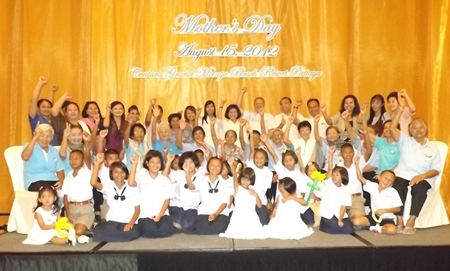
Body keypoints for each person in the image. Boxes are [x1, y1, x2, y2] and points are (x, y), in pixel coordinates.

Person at [389, 106, 441, 234]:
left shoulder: (433, 148)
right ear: (410, 131)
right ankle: (399, 219)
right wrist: (400, 109)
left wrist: (422, 176)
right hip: (403, 174)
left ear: (426, 129)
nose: (418, 130)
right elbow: (392, 128)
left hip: (423, 177)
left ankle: (411, 221)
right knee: (397, 185)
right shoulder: (405, 141)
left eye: (421, 127)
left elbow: (436, 170)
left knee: (419, 188)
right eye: (414, 128)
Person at [263, 134, 313, 225]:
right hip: (282, 201)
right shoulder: (282, 171)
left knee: (309, 219)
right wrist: (266, 142)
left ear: (295, 161)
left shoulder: (299, 173)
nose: (288, 162)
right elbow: (274, 155)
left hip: (295, 202)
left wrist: (295, 201)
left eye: (290, 160)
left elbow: (302, 193)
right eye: (285, 161)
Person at [91, 154, 141, 242]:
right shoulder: (108, 186)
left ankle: (111, 235)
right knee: (102, 233)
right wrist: (97, 163)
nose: (119, 175)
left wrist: (131, 223)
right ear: (111, 174)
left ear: (126, 174)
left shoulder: (132, 187)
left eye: (122, 172)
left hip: (128, 221)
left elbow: (137, 209)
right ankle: (116, 235)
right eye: (116, 172)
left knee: (134, 232)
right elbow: (93, 183)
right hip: (112, 221)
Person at [128, 151, 175, 238]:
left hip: (162, 214)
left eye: (158, 162)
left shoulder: (165, 180)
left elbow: (167, 200)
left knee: (166, 229)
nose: (155, 165)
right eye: (152, 162)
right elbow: (131, 182)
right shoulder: (142, 178)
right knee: (150, 230)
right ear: (147, 163)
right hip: (145, 215)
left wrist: (160, 215)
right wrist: (134, 164)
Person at [353, 157, 402, 235]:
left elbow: (398, 209)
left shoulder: (393, 191)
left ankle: (376, 228)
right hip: (374, 216)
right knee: (356, 221)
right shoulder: (373, 186)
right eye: (385, 178)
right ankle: (374, 226)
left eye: (390, 181)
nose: (387, 181)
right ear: (379, 177)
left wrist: (384, 210)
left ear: (392, 184)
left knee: (392, 230)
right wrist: (356, 164)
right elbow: (360, 178)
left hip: (387, 218)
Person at [220, 165, 264, 239]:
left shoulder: (253, 191)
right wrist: (231, 165)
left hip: (251, 215)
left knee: (253, 234)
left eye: (248, 180)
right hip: (239, 215)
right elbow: (234, 176)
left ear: (251, 181)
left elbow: (260, 206)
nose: (245, 182)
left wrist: (256, 195)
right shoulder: (238, 188)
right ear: (240, 178)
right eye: (243, 179)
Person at [189, 157, 230, 234]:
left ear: (221, 168)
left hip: (220, 213)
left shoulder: (224, 183)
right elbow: (191, 187)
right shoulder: (201, 180)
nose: (215, 168)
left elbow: (225, 202)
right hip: (204, 211)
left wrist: (215, 214)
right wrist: (187, 173)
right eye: (212, 165)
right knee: (201, 228)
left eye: (218, 166)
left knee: (219, 227)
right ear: (208, 166)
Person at [61, 150, 93, 243]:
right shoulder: (68, 177)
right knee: (67, 229)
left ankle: (80, 232)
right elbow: (65, 197)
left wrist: (87, 143)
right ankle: (78, 236)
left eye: (76, 158)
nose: (73, 161)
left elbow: (88, 158)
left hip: (84, 208)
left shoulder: (87, 172)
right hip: (71, 208)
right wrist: (68, 212)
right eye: (71, 159)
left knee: (77, 230)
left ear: (83, 160)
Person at [318, 149, 353, 234]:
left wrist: (340, 220)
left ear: (343, 177)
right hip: (328, 214)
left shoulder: (346, 191)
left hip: (338, 215)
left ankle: (332, 225)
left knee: (349, 229)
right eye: (333, 175)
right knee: (334, 227)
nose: (334, 177)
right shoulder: (329, 184)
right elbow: (330, 168)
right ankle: (324, 226)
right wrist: (330, 154)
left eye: (337, 175)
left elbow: (343, 207)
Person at [22, 124, 64, 191]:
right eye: (42, 135)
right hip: (34, 181)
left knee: (68, 188)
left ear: (52, 138)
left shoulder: (54, 151)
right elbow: (25, 157)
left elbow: (60, 170)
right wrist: (34, 138)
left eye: (48, 136)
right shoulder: (29, 146)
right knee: (47, 191)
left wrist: (61, 181)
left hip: (52, 179)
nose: (45, 139)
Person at [168, 151, 203, 231]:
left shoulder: (201, 177)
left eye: (191, 162)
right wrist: (168, 162)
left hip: (191, 207)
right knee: (175, 221)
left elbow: (191, 187)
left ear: (195, 163)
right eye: (185, 162)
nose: (188, 165)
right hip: (177, 205)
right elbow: (164, 178)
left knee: (188, 225)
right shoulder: (179, 173)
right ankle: (177, 222)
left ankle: (179, 223)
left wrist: (187, 173)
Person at [245, 125, 272, 225]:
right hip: (249, 199)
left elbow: (265, 189)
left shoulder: (268, 173)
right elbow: (252, 149)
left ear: (265, 160)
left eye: (261, 158)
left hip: (261, 201)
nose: (259, 160)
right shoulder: (251, 167)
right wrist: (251, 133)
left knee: (264, 223)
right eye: (257, 158)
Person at [28, 77, 59, 145]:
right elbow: (33, 101)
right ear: (38, 109)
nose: (46, 109)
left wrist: (52, 91)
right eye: (43, 107)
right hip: (39, 149)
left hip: (53, 150)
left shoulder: (53, 119)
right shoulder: (35, 118)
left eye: (48, 107)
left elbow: (50, 104)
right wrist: (40, 84)